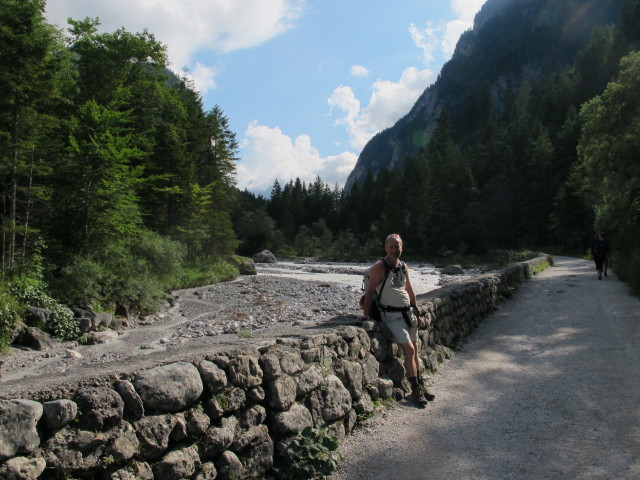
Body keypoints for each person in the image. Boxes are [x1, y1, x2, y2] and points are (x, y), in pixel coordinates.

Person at [361, 233, 434, 407]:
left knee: (415, 350)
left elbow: (409, 290)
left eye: (397, 246)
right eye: (391, 246)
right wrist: (366, 314)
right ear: (386, 248)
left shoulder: (403, 267)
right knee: (409, 350)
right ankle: (415, 390)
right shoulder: (379, 267)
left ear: (402, 248)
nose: (395, 249)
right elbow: (370, 291)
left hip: (408, 315)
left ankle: (420, 386)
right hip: (392, 317)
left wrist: (416, 311)